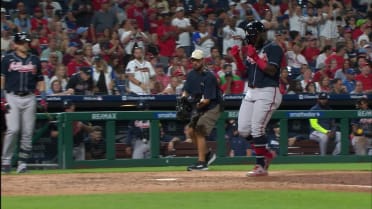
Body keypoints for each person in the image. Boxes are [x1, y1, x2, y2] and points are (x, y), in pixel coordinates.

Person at [234, 21, 284, 177]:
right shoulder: (252, 50)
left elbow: (271, 70)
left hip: (268, 90)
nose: (252, 39)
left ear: (262, 34)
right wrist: (237, 58)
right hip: (251, 91)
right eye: (250, 36)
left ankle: (260, 165)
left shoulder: (273, 48)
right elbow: (244, 75)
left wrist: (255, 56)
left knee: (257, 128)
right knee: (243, 129)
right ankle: (266, 153)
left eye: (254, 36)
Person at [1, 32, 47, 174]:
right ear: (15, 44)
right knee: (13, 129)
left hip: (30, 97)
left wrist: (43, 97)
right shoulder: (7, 59)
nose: (25, 44)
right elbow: (2, 79)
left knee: (27, 132)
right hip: (12, 97)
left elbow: (40, 80)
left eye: (26, 42)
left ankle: (22, 163)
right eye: (22, 42)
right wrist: (2, 98)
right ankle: (6, 161)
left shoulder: (34, 59)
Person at [181, 49, 222, 171]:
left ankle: (202, 163)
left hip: (213, 106)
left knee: (199, 129)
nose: (195, 62)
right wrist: (184, 99)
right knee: (190, 131)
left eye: (197, 60)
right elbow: (186, 90)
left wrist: (192, 106)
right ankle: (207, 154)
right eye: (193, 60)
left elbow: (207, 100)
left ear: (203, 61)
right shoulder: (191, 75)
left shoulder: (209, 76)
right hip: (200, 106)